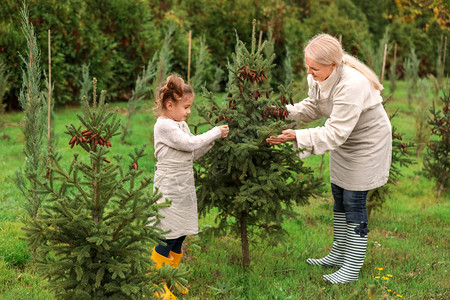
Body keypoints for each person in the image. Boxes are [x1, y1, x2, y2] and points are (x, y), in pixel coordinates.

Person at [266, 33, 392, 284]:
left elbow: (334, 133)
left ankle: (352, 268)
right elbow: (315, 107)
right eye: (307, 68)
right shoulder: (319, 76)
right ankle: (338, 253)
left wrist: (296, 136)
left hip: (366, 141)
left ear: (333, 65)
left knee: (354, 200)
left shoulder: (352, 83)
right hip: (345, 138)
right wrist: (281, 112)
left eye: (314, 69)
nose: (310, 73)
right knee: (339, 194)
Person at [151, 74, 229, 298]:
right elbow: (190, 143)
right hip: (168, 188)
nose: (188, 111)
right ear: (169, 105)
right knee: (168, 235)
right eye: (185, 107)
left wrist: (214, 140)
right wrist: (214, 132)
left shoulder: (180, 124)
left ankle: (171, 278)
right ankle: (155, 283)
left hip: (183, 185)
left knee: (180, 234)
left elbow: (192, 152)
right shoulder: (164, 126)